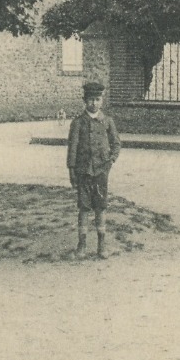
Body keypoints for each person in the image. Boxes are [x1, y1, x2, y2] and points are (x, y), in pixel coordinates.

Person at [66, 81, 121, 259]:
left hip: (100, 172)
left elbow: (116, 143)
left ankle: (101, 245)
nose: (94, 103)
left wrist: (111, 159)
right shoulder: (78, 123)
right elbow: (72, 148)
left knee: (101, 207)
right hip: (83, 172)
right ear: (84, 100)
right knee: (83, 207)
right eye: (90, 100)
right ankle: (82, 246)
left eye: (97, 99)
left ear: (102, 100)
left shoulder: (107, 121)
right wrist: (72, 170)